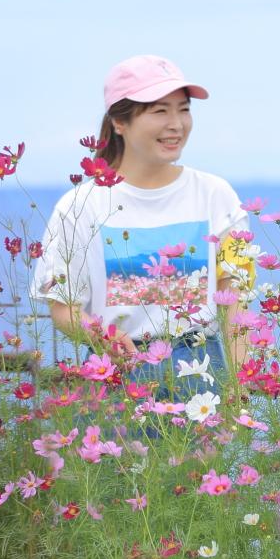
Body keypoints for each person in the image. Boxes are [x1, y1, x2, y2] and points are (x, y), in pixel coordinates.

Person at [31, 54, 252, 390]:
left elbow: (233, 298)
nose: (176, 123)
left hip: (201, 371)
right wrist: (103, 335)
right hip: (117, 374)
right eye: (160, 111)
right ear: (120, 122)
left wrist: (240, 384)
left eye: (184, 109)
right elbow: (63, 308)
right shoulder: (79, 206)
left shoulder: (215, 195)